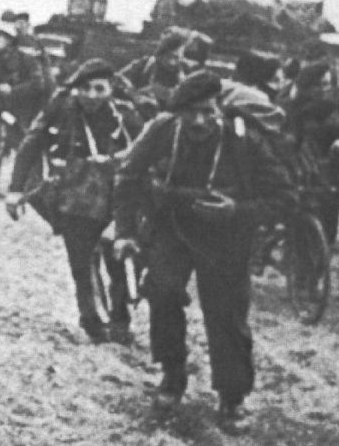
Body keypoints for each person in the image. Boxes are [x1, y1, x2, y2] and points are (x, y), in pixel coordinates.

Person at [113, 70, 296, 434]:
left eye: (207, 112)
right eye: (190, 112)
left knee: (226, 313)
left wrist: (237, 211)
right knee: (162, 292)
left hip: (227, 236)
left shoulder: (245, 140)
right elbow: (127, 175)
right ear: (178, 111)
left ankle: (232, 397)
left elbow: (285, 198)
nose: (199, 121)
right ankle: (172, 375)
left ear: (220, 109)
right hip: (173, 227)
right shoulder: (163, 129)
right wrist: (125, 233)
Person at [4, 58, 145, 344]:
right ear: (76, 89)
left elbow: (143, 155)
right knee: (80, 261)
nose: (92, 96)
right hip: (73, 196)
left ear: (111, 88)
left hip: (115, 197)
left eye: (99, 89)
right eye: (86, 89)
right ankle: (91, 321)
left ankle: (120, 319)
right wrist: (15, 189)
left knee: (116, 258)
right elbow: (31, 142)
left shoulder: (126, 115)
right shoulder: (61, 109)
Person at [285, 61, 339, 244]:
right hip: (305, 160)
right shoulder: (296, 107)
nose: (324, 89)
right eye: (320, 84)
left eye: (327, 84)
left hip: (333, 160)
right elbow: (290, 133)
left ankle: (327, 240)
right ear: (309, 87)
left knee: (330, 198)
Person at [0, 21, 47, 197]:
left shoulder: (25, 58)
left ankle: (33, 187)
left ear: (9, 39)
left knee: (28, 146)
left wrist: (14, 91)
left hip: (25, 110)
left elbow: (38, 84)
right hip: (3, 110)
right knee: (1, 142)